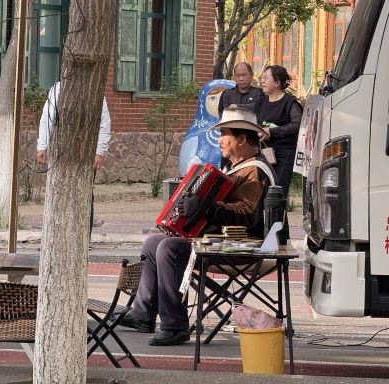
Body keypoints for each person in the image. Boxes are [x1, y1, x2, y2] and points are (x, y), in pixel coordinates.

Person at [118, 106, 275, 346]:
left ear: (242, 139)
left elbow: (246, 216)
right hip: (224, 242)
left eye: (224, 134)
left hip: (246, 247)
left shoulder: (255, 171)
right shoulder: (237, 167)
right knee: (153, 243)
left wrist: (204, 208)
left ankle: (175, 325)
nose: (219, 140)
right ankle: (143, 314)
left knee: (170, 248)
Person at [36, 80, 111, 236]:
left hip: (86, 152)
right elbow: (46, 119)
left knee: (85, 195)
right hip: (60, 152)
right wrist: (42, 146)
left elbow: (104, 123)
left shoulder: (94, 88)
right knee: (58, 193)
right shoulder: (56, 89)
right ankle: (58, 234)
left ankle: (84, 236)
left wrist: (99, 152)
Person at [256, 64, 303, 197]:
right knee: (262, 193)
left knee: (277, 194)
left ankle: (278, 212)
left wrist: (271, 132)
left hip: (284, 154)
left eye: (266, 78)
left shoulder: (290, 102)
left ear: (277, 82)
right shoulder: (261, 102)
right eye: (262, 78)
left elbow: (297, 125)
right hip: (264, 153)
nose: (262, 81)